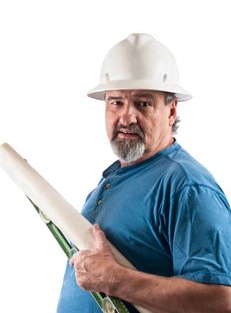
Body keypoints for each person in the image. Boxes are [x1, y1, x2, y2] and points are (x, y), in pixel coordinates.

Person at [57, 33, 231, 312]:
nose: (126, 117)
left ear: (171, 111)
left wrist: (113, 278)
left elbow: (221, 300)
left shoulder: (186, 186)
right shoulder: (111, 182)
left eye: (143, 103)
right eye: (116, 102)